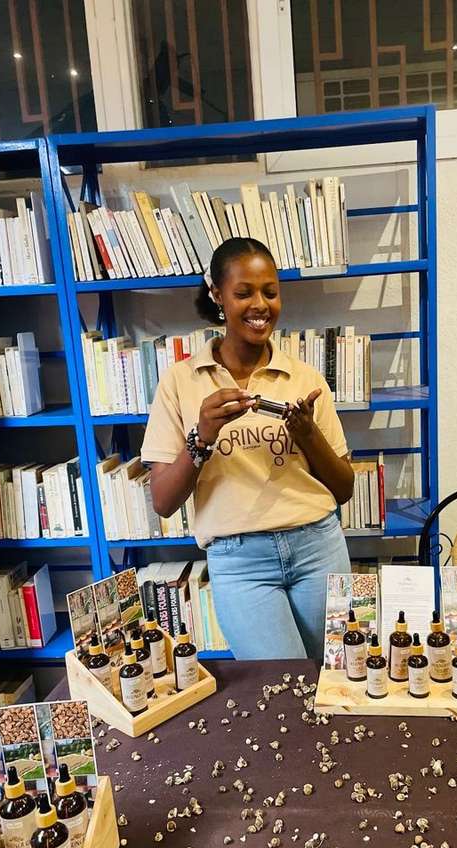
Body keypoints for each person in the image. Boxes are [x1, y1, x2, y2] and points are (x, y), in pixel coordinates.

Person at [140, 237, 354, 659]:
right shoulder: (181, 381)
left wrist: (308, 435)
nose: (260, 305)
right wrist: (201, 438)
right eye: (244, 293)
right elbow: (163, 501)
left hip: (318, 547)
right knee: (281, 687)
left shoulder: (304, 377)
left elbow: (344, 488)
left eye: (270, 292)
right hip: (239, 563)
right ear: (217, 295)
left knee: (336, 678)